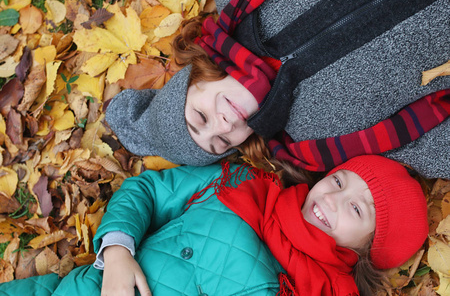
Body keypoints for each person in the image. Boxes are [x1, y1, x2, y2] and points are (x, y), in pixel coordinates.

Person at [105, 0, 450, 178]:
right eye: (221, 142)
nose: (222, 126)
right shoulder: (317, 139)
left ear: (195, 79)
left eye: (200, 116)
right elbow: (430, 146)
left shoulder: (239, 5)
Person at [0, 155, 429, 295]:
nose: (332, 200)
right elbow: (148, 191)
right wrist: (116, 250)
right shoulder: (243, 182)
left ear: (370, 250)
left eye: (357, 210)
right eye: (339, 181)